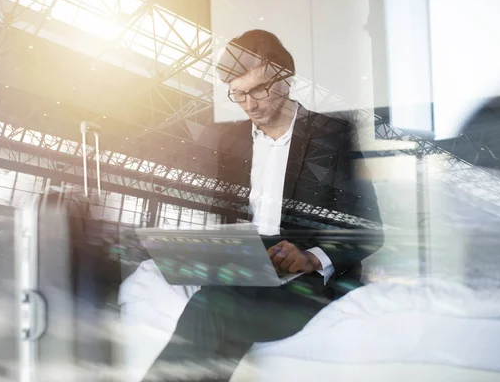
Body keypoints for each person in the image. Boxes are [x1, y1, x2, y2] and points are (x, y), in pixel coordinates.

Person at [144, 29, 384, 381]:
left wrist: (311, 256)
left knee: (210, 308)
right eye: (238, 95)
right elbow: (224, 217)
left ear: (286, 80)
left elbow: (369, 230)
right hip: (248, 268)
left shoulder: (330, 135)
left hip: (307, 280)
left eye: (258, 89)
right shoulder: (231, 141)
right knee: (216, 302)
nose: (250, 104)